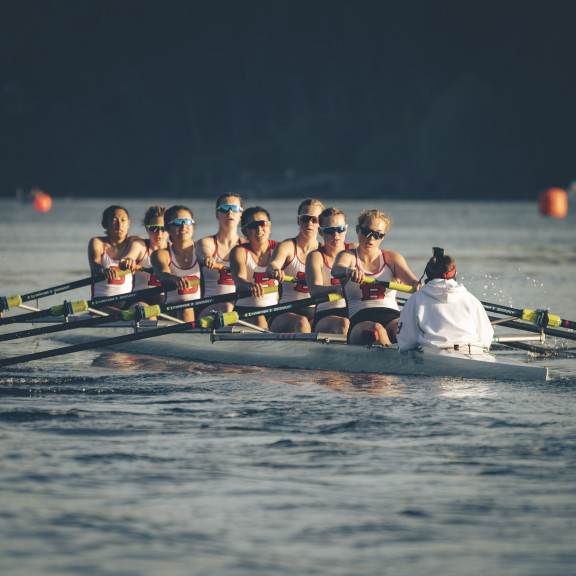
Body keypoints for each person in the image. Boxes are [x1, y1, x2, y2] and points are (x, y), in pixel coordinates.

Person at [332, 209, 420, 345]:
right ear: (357, 230)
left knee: (403, 328)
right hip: (360, 321)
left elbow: (413, 282)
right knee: (377, 330)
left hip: (393, 318)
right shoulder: (348, 256)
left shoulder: (392, 258)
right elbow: (336, 270)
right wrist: (349, 271)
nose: (371, 238)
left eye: (377, 235)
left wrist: (421, 286)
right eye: (367, 232)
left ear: (383, 237)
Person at [397, 248, 494, 353]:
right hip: (472, 351)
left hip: (433, 353)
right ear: (455, 274)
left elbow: (406, 342)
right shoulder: (470, 299)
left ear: (428, 273)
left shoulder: (416, 299)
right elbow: (486, 337)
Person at [266, 198, 324, 333]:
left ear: (321, 223)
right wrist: (275, 270)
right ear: (298, 221)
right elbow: (272, 265)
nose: (309, 223)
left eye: (314, 219)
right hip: (285, 311)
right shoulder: (287, 246)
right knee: (302, 323)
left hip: (315, 312)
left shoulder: (325, 252)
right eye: (305, 218)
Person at [305, 207, 357, 334]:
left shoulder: (355, 250)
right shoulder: (315, 256)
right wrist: (336, 289)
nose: (336, 235)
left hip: (355, 310)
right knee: (344, 324)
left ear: (346, 229)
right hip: (326, 312)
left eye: (340, 229)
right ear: (321, 232)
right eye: (330, 231)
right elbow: (314, 291)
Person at [196, 192, 245, 318]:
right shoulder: (207, 242)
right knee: (228, 307)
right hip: (208, 306)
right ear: (217, 214)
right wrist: (207, 257)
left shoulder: (247, 246)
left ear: (241, 215)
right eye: (224, 209)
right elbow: (203, 250)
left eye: (234, 209)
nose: (229, 213)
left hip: (240, 307)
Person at [230, 206, 278, 329]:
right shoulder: (239, 251)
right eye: (253, 225)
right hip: (247, 309)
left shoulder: (279, 249)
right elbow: (239, 280)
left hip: (276, 310)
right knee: (260, 320)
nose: (259, 229)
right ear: (244, 231)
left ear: (270, 227)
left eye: (263, 224)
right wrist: (249, 285)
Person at [151, 205, 200, 322]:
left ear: (192, 226)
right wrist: (174, 278)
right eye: (178, 222)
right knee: (185, 307)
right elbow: (163, 275)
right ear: (168, 228)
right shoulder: (161, 254)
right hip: (173, 310)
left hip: (202, 307)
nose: (183, 226)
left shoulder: (203, 249)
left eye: (187, 222)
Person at [88, 205, 140, 311]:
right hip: (102, 302)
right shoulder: (97, 242)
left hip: (128, 301)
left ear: (128, 223)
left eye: (123, 220)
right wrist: (104, 270)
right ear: (104, 224)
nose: (119, 225)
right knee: (124, 315)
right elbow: (94, 265)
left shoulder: (135, 242)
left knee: (140, 309)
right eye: (114, 220)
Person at [120, 205, 169, 308]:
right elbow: (127, 257)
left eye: (163, 228)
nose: (159, 233)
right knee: (147, 312)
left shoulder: (174, 249)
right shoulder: (140, 245)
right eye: (154, 228)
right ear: (147, 228)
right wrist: (128, 260)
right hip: (140, 300)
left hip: (167, 301)